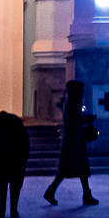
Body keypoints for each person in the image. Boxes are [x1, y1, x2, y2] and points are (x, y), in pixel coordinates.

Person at [41, 79, 96, 207]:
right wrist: (86, 119)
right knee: (66, 171)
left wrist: (85, 119)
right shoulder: (71, 104)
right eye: (80, 91)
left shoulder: (72, 103)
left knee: (79, 170)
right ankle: (51, 191)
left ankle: (86, 194)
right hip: (72, 143)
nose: (81, 93)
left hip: (75, 141)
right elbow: (73, 121)